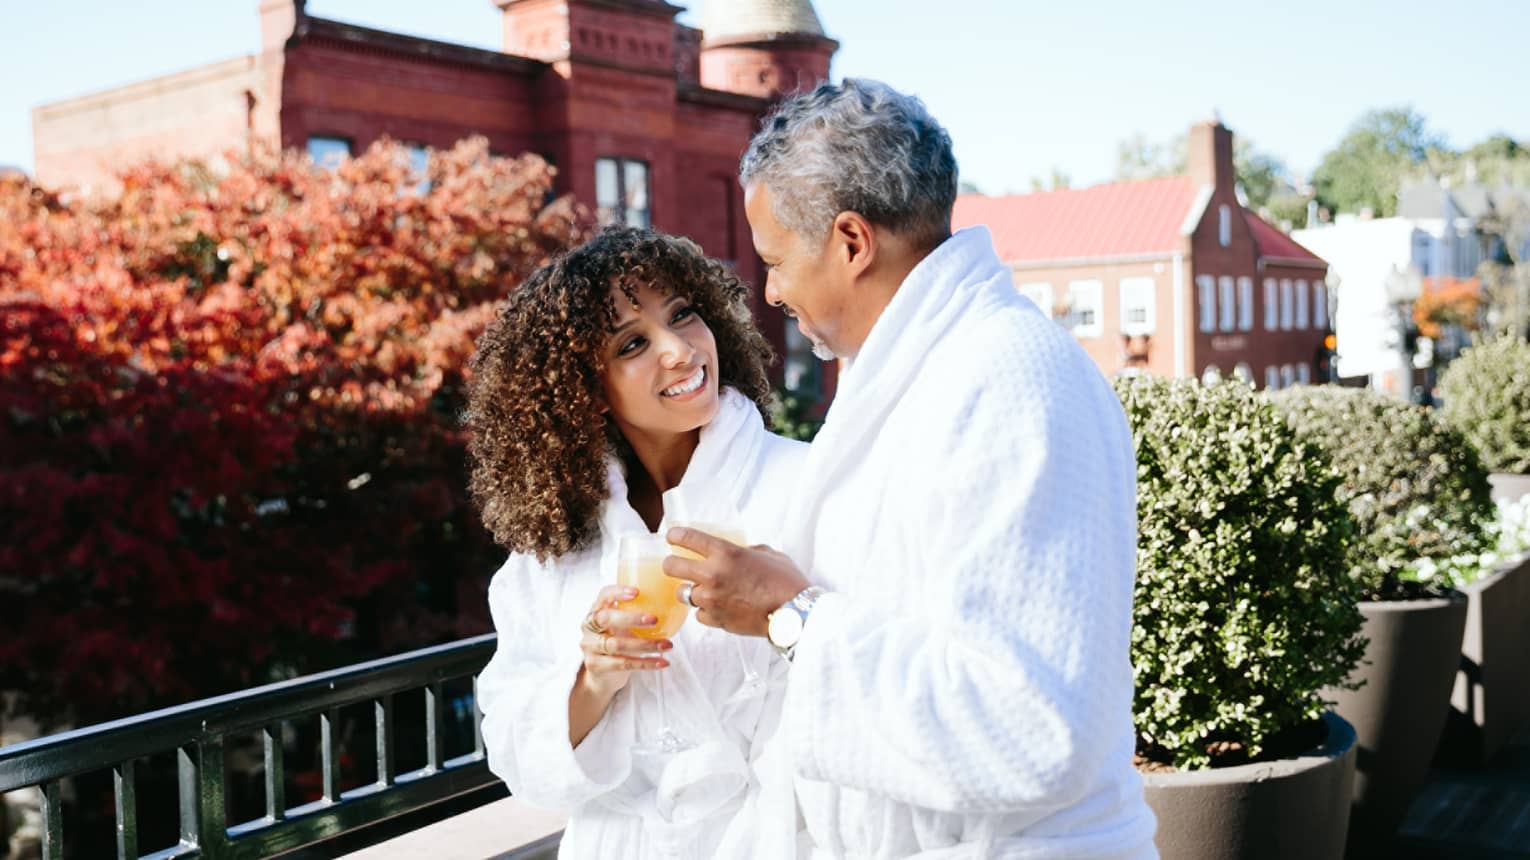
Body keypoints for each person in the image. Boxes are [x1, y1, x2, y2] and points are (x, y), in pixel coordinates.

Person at [664, 79, 1160, 858]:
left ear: (852, 242)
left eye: (778, 260)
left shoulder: (1013, 383)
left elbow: (1033, 728)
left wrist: (790, 616)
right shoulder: (909, 373)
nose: (772, 291)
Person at [468, 228, 808, 858]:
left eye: (683, 314)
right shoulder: (554, 553)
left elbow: (874, 674)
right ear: (585, 392)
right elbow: (515, 752)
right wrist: (593, 677)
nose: (679, 350)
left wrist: (785, 611)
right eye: (632, 343)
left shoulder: (807, 486)